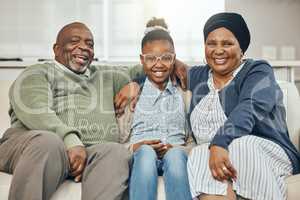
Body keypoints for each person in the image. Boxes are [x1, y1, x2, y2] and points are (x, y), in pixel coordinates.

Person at [0, 22, 186, 200]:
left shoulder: (105, 75)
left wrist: (175, 63)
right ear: (56, 49)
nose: (83, 47)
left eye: (89, 44)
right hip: (35, 144)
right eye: (74, 41)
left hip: (91, 153)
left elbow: (151, 65)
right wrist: (71, 142)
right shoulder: (37, 72)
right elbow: (36, 110)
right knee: (49, 143)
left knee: (116, 153)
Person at [186, 12, 300, 200]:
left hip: (266, 152)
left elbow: (250, 107)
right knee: (198, 153)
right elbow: (165, 68)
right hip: (218, 154)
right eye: (211, 43)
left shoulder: (257, 71)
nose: (218, 50)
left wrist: (219, 142)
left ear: (242, 49)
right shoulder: (200, 75)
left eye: (227, 43)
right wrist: (135, 82)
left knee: (241, 145)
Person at [128, 18, 192, 200]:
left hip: (176, 152)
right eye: (150, 58)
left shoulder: (184, 94)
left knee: (175, 156)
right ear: (142, 60)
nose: (159, 64)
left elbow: (192, 141)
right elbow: (119, 140)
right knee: (146, 153)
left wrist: (179, 149)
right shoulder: (133, 94)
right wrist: (135, 147)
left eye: (166, 58)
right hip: (140, 156)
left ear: (174, 59)